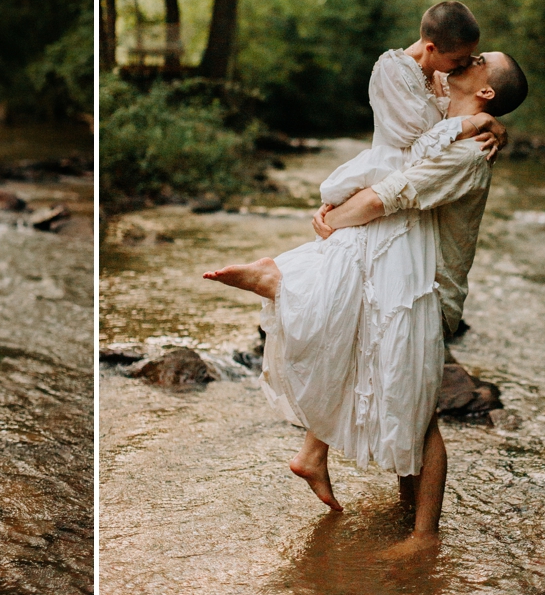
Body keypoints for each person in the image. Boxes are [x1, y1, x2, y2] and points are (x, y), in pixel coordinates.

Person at [205, 40, 526, 553]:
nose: (470, 58)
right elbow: (415, 69)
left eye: (481, 59)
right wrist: (488, 119)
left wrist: (331, 216)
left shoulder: (467, 153)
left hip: (428, 289)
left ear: (485, 88)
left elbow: (388, 195)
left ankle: (424, 537)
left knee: (420, 412)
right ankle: (375, 494)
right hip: (401, 277)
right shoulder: (452, 124)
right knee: (363, 358)